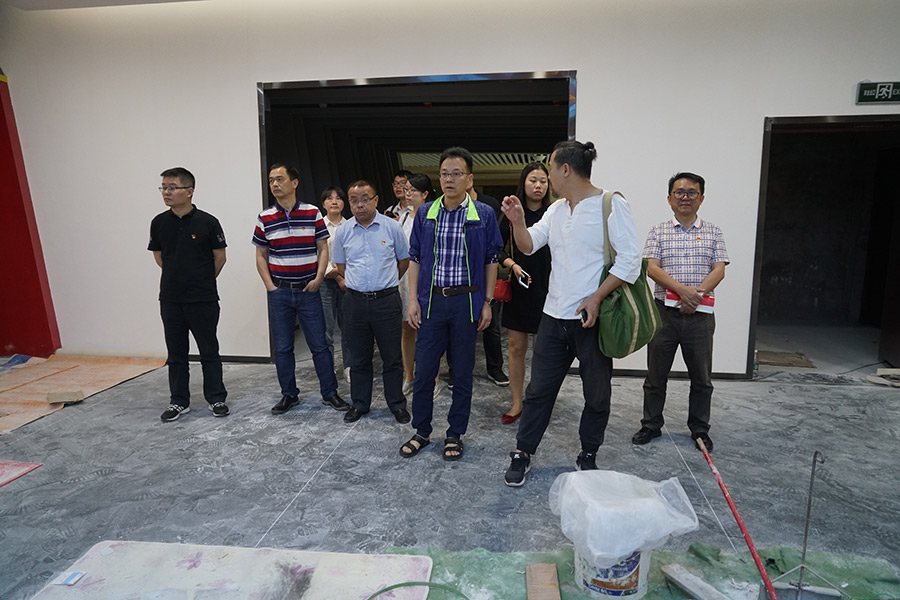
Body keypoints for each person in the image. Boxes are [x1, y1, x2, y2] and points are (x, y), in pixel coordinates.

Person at [502, 141, 641, 487]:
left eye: (550, 169)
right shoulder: (557, 210)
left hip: (591, 318)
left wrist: (596, 297)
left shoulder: (611, 204)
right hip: (553, 316)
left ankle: (588, 453)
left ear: (565, 169)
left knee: (597, 393)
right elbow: (528, 245)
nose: (547, 177)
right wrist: (518, 222)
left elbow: (630, 261)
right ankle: (523, 451)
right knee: (538, 391)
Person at [401, 147, 503, 462]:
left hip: (466, 303)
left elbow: (491, 259)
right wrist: (413, 301)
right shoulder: (426, 214)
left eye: (456, 174)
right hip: (431, 302)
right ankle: (421, 431)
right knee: (424, 371)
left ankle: (455, 433)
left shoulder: (483, 214)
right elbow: (415, 258)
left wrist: (487, 302)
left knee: (461, 373)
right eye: (445, 174)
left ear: (469, 179)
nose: (449, 179)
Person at [632, 172, 729, 452]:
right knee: (655, 375)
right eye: (679, 192)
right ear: (669, 198)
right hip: (663, 314)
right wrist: (683, 291)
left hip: (700, 316)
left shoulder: (713, 231)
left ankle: (699, 429)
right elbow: (651, 268)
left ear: (701, 198)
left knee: (702, 379)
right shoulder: (658, 231)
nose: (685, 197)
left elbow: (719, 269)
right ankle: (651, 424)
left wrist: (694, 296)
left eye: (691, 192)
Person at [252, 163, 349, 415]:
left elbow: (322, 248)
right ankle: (289, 394)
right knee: (283, 347)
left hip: (309, 289)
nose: (275, 184)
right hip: (280, 292)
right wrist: (270, 286)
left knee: (320, 344)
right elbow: (261, 255)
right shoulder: (265, 217)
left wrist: (318, 277)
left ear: (294, 183)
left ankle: (330, 392)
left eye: (280, 179)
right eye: (271, 180)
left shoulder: (312, 212)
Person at [148, 167, 228, 421]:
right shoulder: (159, 223)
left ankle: (216, 398)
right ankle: (178, 401)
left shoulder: (208, 222)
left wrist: (201, 280)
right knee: (176, 354)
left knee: (209, 351)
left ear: (189, 191)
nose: (166, 192)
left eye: (172, 187)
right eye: (164, 188)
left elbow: (220, 257)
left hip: (203, 298)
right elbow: (159, 257)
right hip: (171, 299)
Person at [332, 180, 411, 424]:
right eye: (354, 200)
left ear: (375, 200)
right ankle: (360, 404)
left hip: (386, 301)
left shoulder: (392, 227)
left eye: (365, 199)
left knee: (392, 357)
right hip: (354, 303)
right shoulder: (344, 231)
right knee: (358, 358)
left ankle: (396, 404)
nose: (359, 205)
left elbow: (403, 261)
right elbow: (340, 266)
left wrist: (385, 283)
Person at [497, 162, 553, 424]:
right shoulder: (512, 212)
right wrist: (512, 264)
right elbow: (496, 248)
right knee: (516, 347)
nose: (538, 186)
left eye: (543, 181)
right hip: (520, 287)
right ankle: (517, 401)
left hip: (549, 288)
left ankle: (539, 401)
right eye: (533, 180)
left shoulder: (555, 212)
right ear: (523, 182)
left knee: (543, 351)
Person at [464, 179, 508, 387]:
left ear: (470, 177)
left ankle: (495, 368)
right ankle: (457, 370)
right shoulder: (447, 206)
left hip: (488, 270)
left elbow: (499, 238)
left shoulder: (489, 205)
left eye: (458, 174)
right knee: (461, 325)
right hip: (462, 275)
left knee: (491, 325)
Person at [398, 173, 435, 396]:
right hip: (405, 279)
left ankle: (434, 378)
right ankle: (409, 376)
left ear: (425, 194)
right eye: (406, 189)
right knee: (407, 328)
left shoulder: (434, 216)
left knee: (430, 331)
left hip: (428, 278)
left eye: (412, 190)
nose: (408, 193)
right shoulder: (403, 217)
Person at [319, 186, 352, 383]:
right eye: (329, 198)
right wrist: (337, 276)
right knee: (326, 328)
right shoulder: (318, 226)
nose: (334, 201)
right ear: (323, 203)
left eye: (338, 198)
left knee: (348, 327)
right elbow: (317, 255)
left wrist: (344, 277)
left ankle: (349, 366)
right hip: (325, 281)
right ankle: (327, 367)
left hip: (348, 282)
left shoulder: (351, 226)